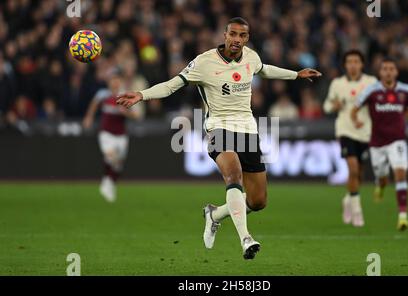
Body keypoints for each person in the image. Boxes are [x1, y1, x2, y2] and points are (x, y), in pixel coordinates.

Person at [116, 17, 322, 259]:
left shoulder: (251, 57)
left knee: (258, 202)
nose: (236, 40)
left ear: (247, 38)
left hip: (247, 131)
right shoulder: (204, 62)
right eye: (232, 34)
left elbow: (264, 69)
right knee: (233, 175)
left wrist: (295, 74)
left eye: (242, 35)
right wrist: (142, 94)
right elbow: (173, 85)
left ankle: (214, 214)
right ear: (224, 35)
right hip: (218, 129)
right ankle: (246, 238)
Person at [351, 58, 408, 231]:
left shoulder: (405, 90)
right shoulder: (371, 91)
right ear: (380, 73)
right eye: (384, 69)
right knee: (383, 175)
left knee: (400, 174)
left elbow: (407, 109)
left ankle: (402, 217)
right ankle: (380, 184)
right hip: (377, 142)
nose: (388, 72)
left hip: (397, 140)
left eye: (391, 69)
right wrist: (355, 121)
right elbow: (354, 109)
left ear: (396, 72)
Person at [323, 50, 377, 227]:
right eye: (349, 62)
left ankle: (348, 200)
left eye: (356, 61)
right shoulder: (337, 83)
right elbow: (326, 106)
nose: (353, 65)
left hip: (365, 132)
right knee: (352, 169)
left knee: (359, 174)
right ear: (345, 65)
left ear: (362, 64)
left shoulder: (371, 82)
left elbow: (377, 102)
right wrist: (334, 105)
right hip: (345, 131)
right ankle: (357, 211)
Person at [83, 73, 142, 202]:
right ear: (109, 82)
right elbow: (94, 105)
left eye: (117, 80)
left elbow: (137, 116)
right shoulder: (103, 94)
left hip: (121, 135)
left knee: (118, 165)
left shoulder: (124, 96)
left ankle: (109, 183)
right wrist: (89, 117)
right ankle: (106, 182)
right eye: (112, 80)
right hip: (106, 133)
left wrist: (126, 112)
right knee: (111, 157)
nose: (114, 83)